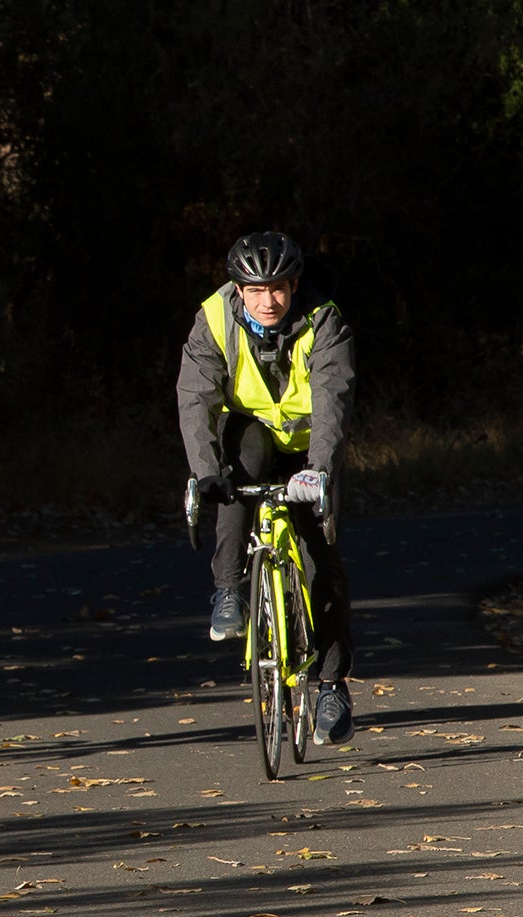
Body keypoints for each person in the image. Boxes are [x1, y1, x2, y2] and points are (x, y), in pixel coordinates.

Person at [176, 230, 358, 741]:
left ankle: (330, 687)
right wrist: (204, 471)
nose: (268, 300)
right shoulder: (212, 319)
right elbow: (196, 398)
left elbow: (332, 401)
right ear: (237, 290)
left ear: (294, 284)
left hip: (308, 443)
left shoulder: (325, 320)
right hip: (251, 431)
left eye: (277, 288)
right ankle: (228, 590)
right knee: (235, 472)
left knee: (322, 557)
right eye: (255, 290)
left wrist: (319, 469)